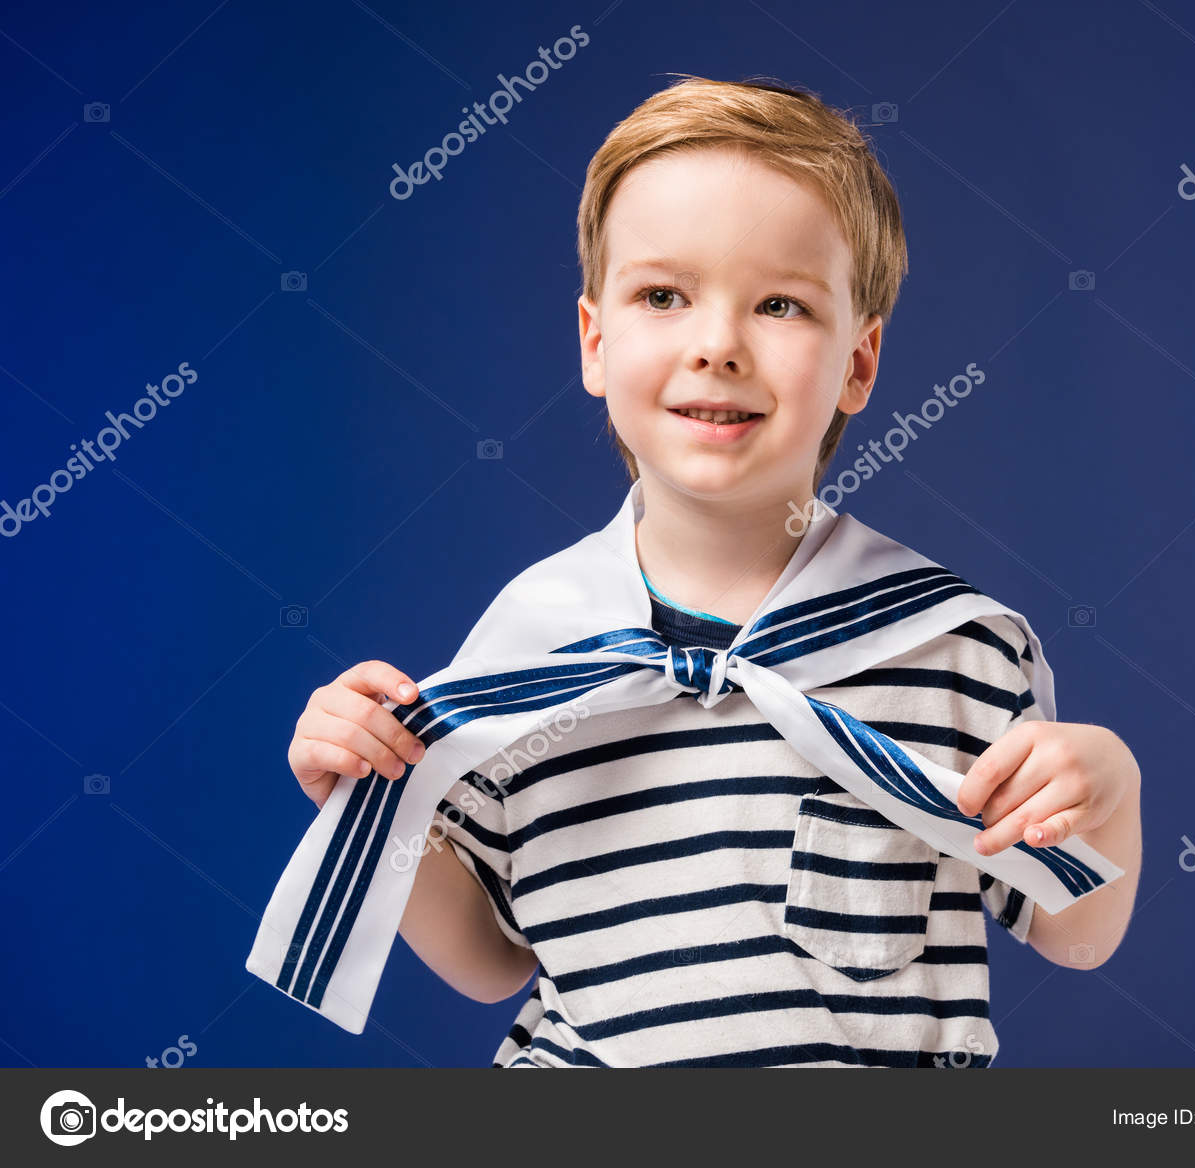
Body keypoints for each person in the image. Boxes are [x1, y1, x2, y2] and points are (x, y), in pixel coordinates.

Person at [285, 76, 1142, 1067]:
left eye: (779, 303)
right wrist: (369, 791)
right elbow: (489, 960)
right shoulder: (533, 639)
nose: (718, 346)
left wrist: (1111, 786)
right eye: (662, 295)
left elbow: (1074, 932)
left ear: (859, 364)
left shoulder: (955, 646)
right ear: (594, 342)